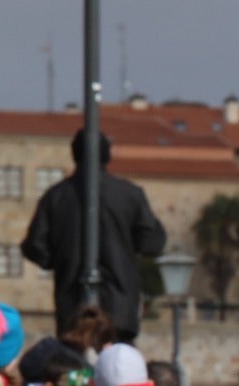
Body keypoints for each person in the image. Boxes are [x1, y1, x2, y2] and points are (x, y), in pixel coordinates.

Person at [21, 129, 167, 341]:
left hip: (73, 304)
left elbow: (34, 245)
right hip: (120, 307)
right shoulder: (129, 195)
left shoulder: (56, 196)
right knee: (118, 368)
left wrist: (61, 261)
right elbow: (152, 243)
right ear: (107, 155)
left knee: (75, 368)